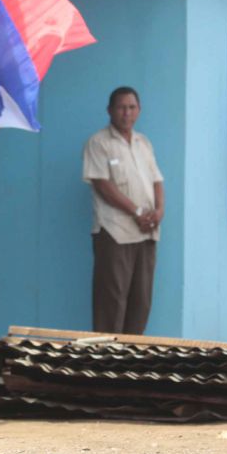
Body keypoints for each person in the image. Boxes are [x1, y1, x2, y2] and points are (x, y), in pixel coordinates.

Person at [81, 86, 165, 335]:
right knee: (112, 301)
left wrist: (159, 212)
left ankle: (130, 355)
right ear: (110, 110)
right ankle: (105, 356)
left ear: (139, 110)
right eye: (121, 107)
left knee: (141, 302)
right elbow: (102, 185)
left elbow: (157, 180)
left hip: (146, 233)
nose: (126, 113)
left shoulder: (143, 143)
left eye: (131, 107)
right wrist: (137, 212)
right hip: (114, 232)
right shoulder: (99, 143)